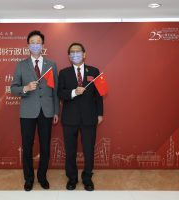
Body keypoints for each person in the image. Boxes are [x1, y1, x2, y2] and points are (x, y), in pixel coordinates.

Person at [11, 30, 59, 191]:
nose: (35, 45)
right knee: (27, 146)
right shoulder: (21, 65)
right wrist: (25, 88)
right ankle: (29, 178)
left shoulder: (51, 64)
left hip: (46, 111)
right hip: (27, 112)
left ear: (43, 45)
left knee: (45, 146)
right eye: (32, 42)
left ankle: (42, 177)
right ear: (28, 45)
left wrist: (56, 112)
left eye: (38, 42)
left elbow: (55, 91)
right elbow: (13, 88)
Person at [58, 42, 104, 191]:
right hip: (70, 118)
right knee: (70, 150)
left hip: (89, 117)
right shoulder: (64, 73)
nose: (75, 54)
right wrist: (73, 92)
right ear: (69, 56)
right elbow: (60, 93)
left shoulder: (94, 71)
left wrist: (100, 113)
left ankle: (87, 178)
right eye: (72, 52)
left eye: (78, 52)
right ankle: (72, 178)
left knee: (89, 150)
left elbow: (99, 95)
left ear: (84, 54)